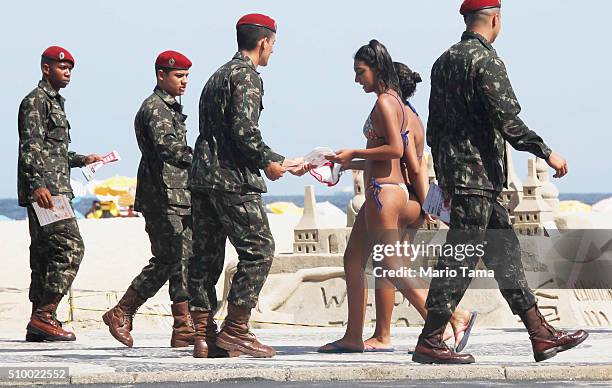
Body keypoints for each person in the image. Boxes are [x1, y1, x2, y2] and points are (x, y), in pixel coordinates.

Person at [412, 0, 588, 364]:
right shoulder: (486, 61)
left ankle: (540, 333)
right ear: (495, 19)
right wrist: (545, 152)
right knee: (460, 257)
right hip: (476, 176)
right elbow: (508, 120)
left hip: (463, 177)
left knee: (504, 254)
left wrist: (445, 175)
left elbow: (435, 128)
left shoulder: (442, 62)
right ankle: (430, 340)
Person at [318, 41, 475, 354]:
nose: (356, 79)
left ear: (377, 69)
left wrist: (355, 151)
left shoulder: (386, 103)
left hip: (383, 193)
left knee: (389, 265)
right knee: (354, 259)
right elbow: (400, 159)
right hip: (392, 191)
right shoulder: (400, 107)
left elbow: (395, 150)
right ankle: (353, 336)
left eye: (360, 72)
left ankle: (452, 317)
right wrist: (350, 162)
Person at [188, 13, 309, 359]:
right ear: (264, 42)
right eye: (273, 44)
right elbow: (244, 131)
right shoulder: (247, 77)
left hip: (202, 179)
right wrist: (271, 161)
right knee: (259, 250)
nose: (273, 51)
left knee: (205, 258)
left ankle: (203, 335)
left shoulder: (216, 76)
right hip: (231, 179)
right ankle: (237, 330)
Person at [102, 51, 195, 348]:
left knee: (182, 258)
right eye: (178, 76)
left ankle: (183, 327)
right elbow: (168, 149)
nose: (184, 82)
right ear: (160, 75)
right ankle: (123, 311)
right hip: (161, 194)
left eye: (186, 76)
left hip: (178, 193)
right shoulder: (155, 109)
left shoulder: (170, 108)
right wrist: (203, 159)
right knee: (170, 257)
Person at [18, 46, 102, 342]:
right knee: (70, 247)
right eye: (61, 67)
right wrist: (37, 184)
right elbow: (31, 146)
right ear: (46, 68)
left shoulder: (55, 103)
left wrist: (82, 160)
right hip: (46, 193)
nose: (67, 73)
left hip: (52, 188)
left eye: (70, 69)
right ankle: (44, 315)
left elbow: (54, 151)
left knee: (44, 255)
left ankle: (39, 321)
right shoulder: (36, 101)